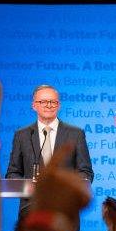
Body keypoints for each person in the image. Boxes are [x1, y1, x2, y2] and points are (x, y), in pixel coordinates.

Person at [5, 84, 93, 216]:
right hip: (31, 211)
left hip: (65, 211)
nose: (49, 105)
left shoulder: (76, 134)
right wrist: (30, 188)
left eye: (53, 101)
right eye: (43, 102)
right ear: (34, 105)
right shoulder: (22, 135)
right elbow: (13, 173)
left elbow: (86, 172)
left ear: (59, 105)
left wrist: (65, 186)